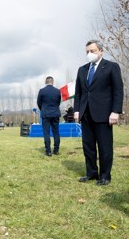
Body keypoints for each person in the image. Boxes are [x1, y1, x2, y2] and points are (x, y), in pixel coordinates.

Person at [74, 40, 123, 186]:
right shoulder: (82, 70)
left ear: (101, 51)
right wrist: (77, 110)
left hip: (104, 114)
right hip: (85, 113)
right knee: (88, 146)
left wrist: (115, 111)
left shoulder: (111, 67)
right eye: (87, 52)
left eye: (93, 51)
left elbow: (118, 91)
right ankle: (91, 172)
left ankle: (105, 175)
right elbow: (79, 93)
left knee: (104, 146)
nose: (90, 54)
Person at [37, 76, 62, 156]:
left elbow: (39, 103)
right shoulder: (58, 91)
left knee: (46, 133)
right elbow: (58, 102)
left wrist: (43, 109)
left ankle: (48, 151)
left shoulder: (42, 91)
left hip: (46, 114)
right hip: (55, 114)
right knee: (56, 132)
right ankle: (56, 150)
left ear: (46, 82)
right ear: (52, 82)